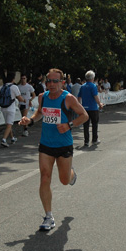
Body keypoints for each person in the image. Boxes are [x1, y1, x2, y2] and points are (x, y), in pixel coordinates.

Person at [18, 69, 89, 231]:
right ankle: (48, 216)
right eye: (48, 81)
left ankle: (71, 174)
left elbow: (84, 115)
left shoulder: (68, 98)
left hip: (64, 145)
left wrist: (69, 125)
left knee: (64, 180)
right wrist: (29, 120)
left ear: (62, 82)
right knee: (45, 177)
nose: (51, 84)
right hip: (46, 144)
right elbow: (39, 114)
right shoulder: (43, 97)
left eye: (55, 81)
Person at [0, 73, 24, 147]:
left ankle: (12, 138)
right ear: (13, 79)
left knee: (8, 124)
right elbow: (19, 98)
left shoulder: (1, 87)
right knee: (9, 125)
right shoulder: (14, 87)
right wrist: (24, 100)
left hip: (3, 108)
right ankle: (4, 139)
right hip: (11, 108)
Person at [78, 70, 104, 147]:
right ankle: (94, 139)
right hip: (93, 108)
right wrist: (100, 104)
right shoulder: (93, 86)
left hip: (85, 108)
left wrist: (79, 106)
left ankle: (86, 141)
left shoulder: (82, 86)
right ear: (92, 78)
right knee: (94, 124)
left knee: (85, 125)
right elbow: (95, 97)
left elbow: (79, 97)